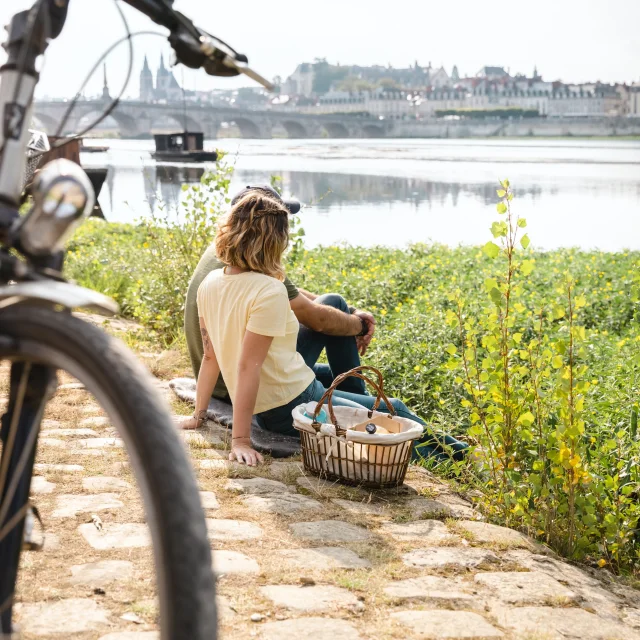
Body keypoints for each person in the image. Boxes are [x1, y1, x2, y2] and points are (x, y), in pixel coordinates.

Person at [181, 190, 468, 466]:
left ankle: (456, 454)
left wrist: (199, 414)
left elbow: (210, 357)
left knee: (368, 401)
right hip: (293, 402)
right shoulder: (268, 290)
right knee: (393, 411)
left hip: (282, 397)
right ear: (274, 241)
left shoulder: (211, 283)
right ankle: (463, 458)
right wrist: (241, 440)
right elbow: (247, 368)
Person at [184, 184, 376, 402]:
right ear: (262, 226)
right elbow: (318, 319)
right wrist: (359, 325)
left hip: (219, 379)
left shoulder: (227, 250)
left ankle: (356, 397)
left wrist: (351, 311)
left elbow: (291, 293)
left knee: (331, 372)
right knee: (333, 305)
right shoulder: (250, 259)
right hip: (241, 383)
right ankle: (358, 402)